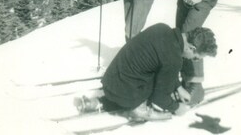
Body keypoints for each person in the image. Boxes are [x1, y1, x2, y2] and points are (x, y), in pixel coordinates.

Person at [77, 23, 217, 121]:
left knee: (149, 70)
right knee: (157, 83)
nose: (194, 60)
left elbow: (161, 60)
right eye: (197, 58)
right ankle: (139, 109)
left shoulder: (162, 28)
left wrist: (178, 87)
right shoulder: (174, 59)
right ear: (191, 48)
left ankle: (100, 102)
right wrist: (176, 107)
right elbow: (159, 97)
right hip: (127, 95)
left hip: (110, 81)